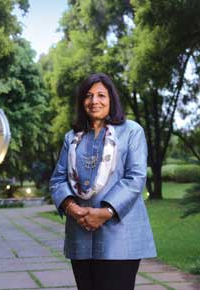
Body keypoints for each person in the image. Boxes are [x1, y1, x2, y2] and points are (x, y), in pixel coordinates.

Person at [49, 73, 157, 290]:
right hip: (80, 232)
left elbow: (135, 177)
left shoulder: (131, 131)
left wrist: (105, 212)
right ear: (82, 102)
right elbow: (58, 179)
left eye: (101, 95)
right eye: (88, 96)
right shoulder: (72, 137)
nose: (94, 101)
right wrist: (73, 209)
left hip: (119, 235)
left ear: (111, 99)